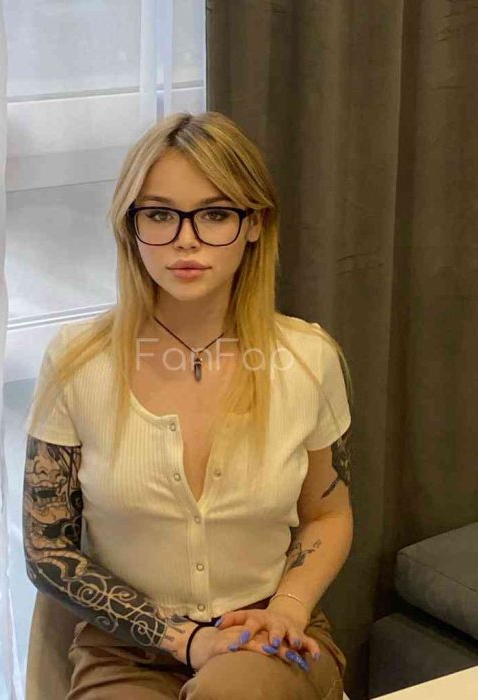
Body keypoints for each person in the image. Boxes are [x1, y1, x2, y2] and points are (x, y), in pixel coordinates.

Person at [23, 110, 354, 699]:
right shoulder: (76, 363)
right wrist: (184, 639)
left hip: (266, 632)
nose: (186, 238)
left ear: (254, 225)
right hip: (126, 645)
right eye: (159, 214)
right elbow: (47, 548)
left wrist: (289, 606)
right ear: (130, 226)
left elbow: (327, 514)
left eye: (215, 214)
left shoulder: (307, 359)